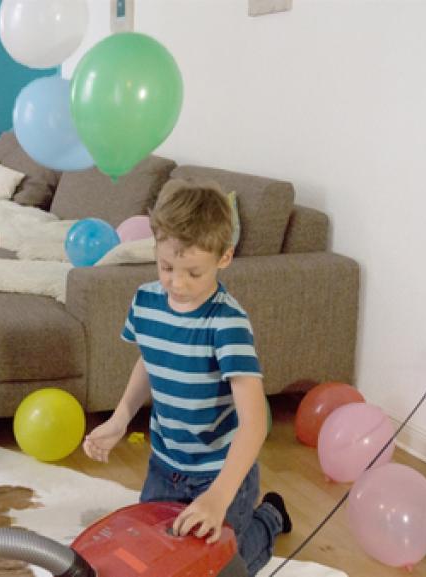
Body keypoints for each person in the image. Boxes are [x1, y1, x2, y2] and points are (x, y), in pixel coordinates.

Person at [82, 179, 291, 576]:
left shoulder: (227, 323)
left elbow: (255, 421)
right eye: (166, 267)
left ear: (224, 256)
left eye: (193, 272)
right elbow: (149, 360)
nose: (177, 284)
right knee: (156, 558)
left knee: (222, 567)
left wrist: (219, 496)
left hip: (221, 470)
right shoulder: (146, 302)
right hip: (165, 463)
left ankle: (269, 518)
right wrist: (121, 417)